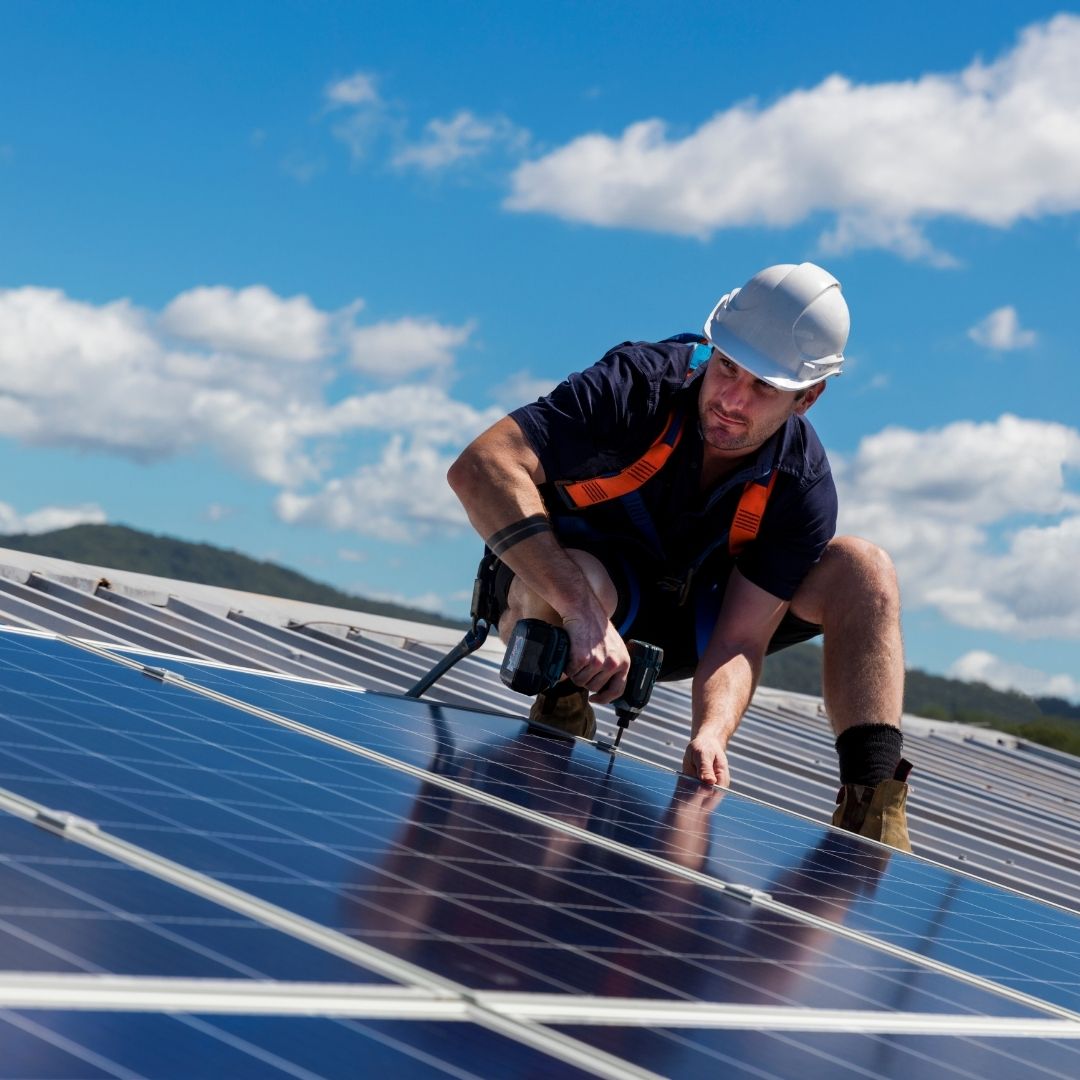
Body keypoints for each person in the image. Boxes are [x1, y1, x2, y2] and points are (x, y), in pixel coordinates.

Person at [447, 262, 912, 851]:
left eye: (763, 388)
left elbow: (741, 640)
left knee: (864, 569)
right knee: (588, 583)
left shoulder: (800, 485)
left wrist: (712, 734)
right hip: (565, 597)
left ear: (808, 398)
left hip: (690, 625)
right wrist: (583, 612)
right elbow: (480, 466)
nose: (732, 401)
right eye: (727, 369)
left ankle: (871, 816)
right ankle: (562, 702)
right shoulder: (636, 385)